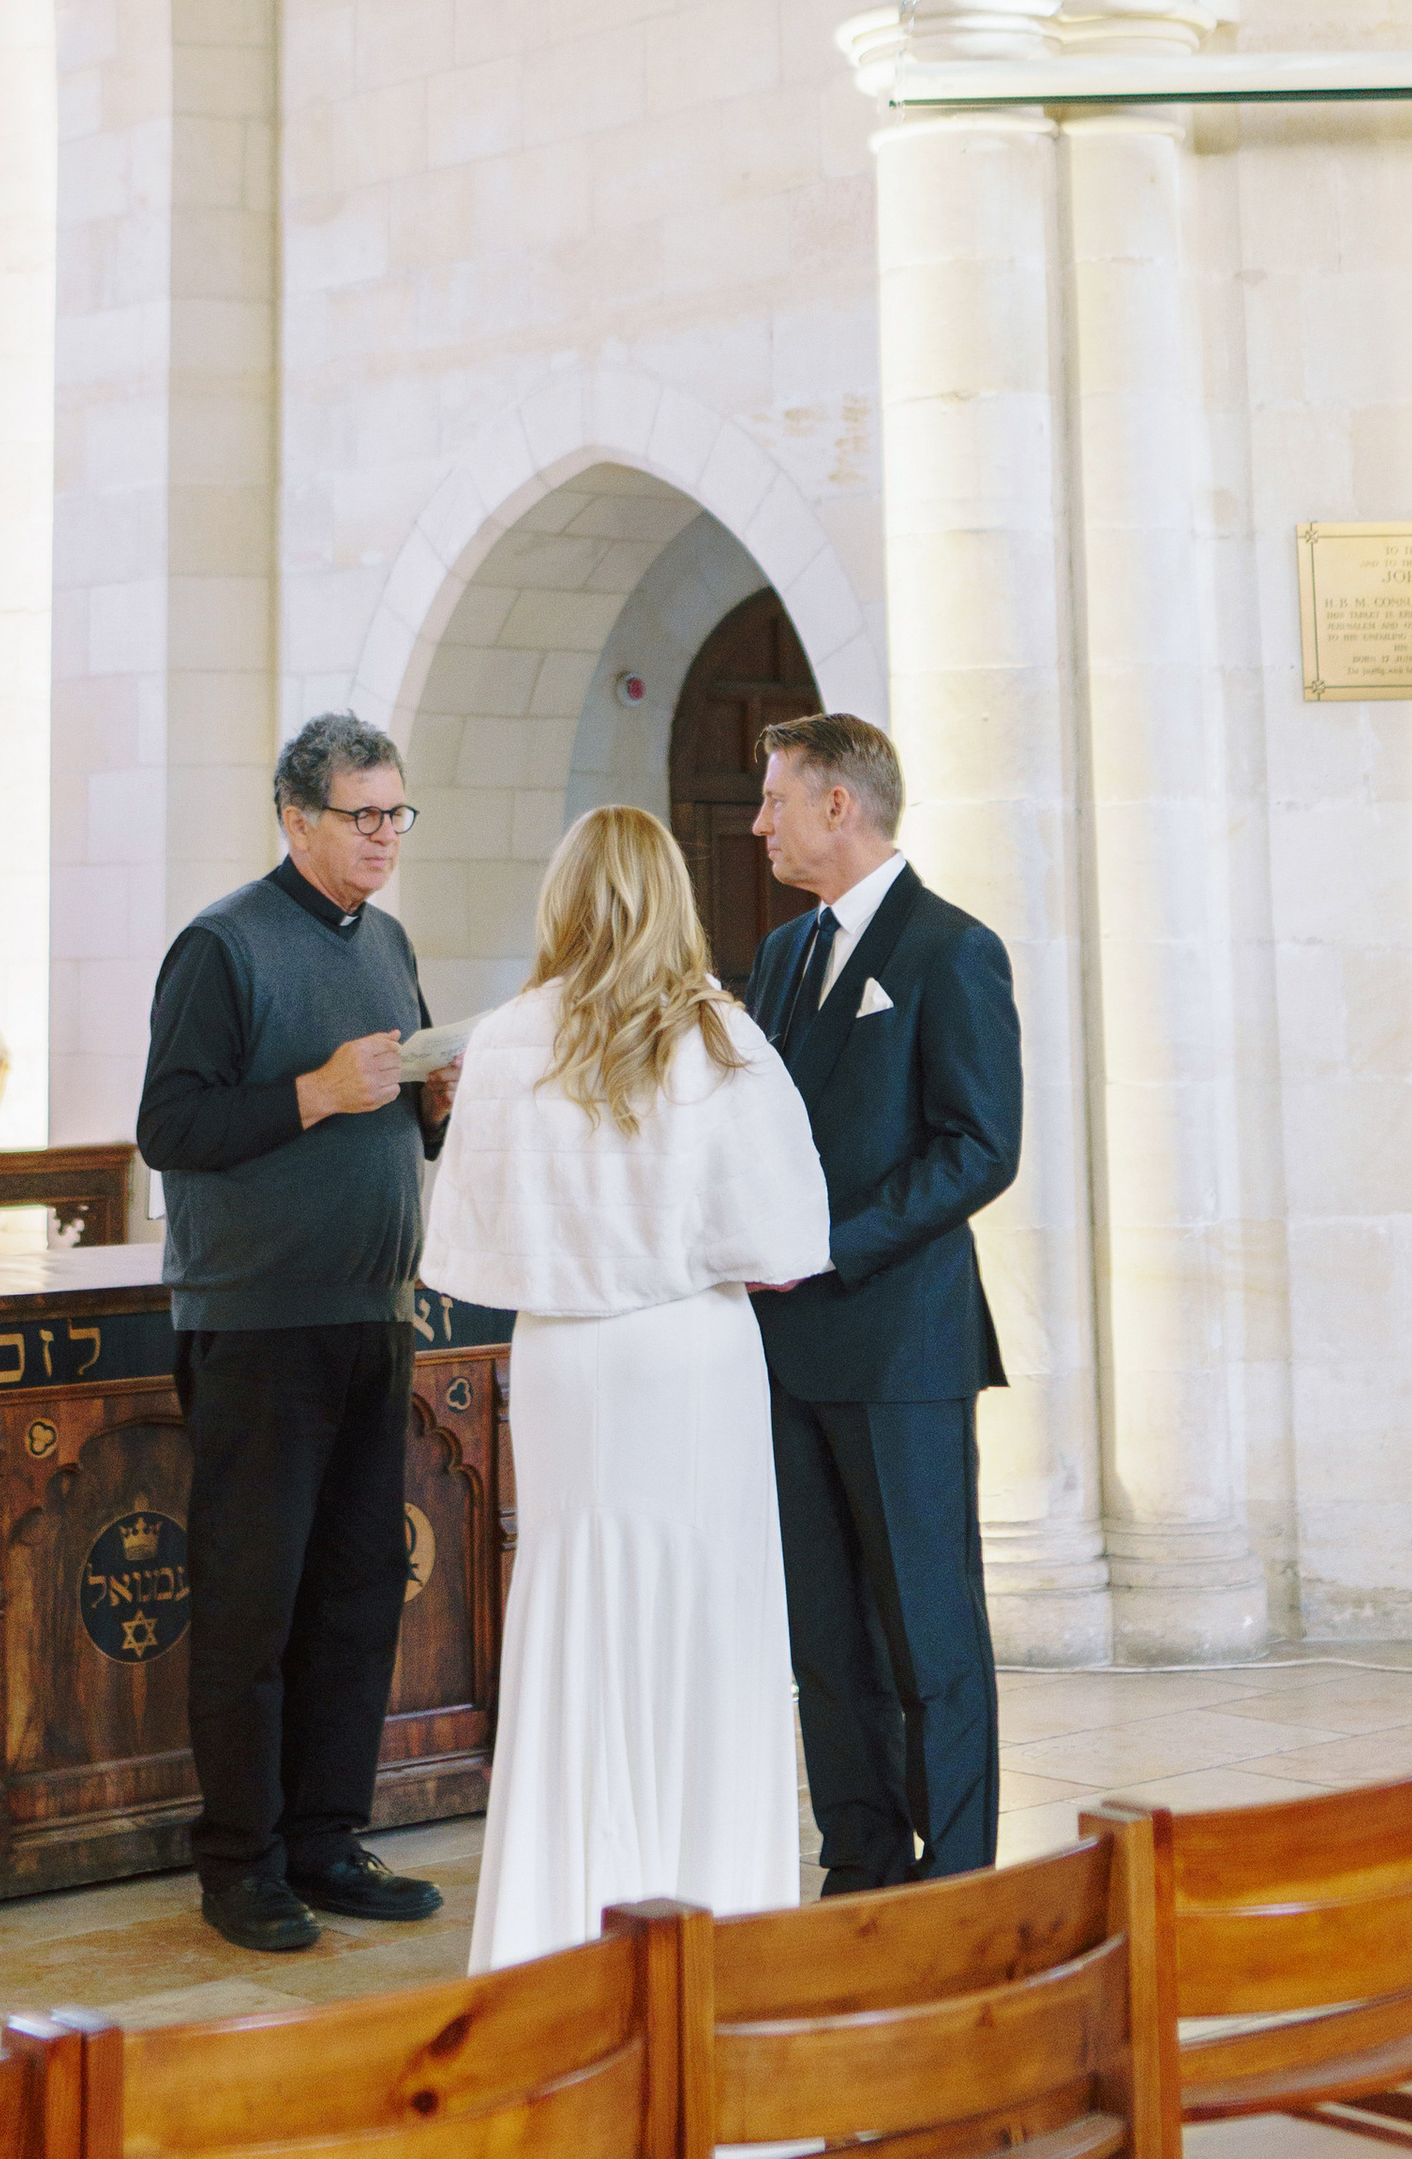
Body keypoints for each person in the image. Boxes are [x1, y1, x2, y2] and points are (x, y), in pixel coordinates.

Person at [422, 803, 829, 1971]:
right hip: (690, 1355)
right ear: (671, 900)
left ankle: (558, 1941)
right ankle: (718, 1934)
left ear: (563, 900)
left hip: (568, 1359)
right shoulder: (726, 1043)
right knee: (710, 1625)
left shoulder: (506, 1039)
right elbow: (789, 1236)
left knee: (576, 1618)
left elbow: (462, 1242)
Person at [135, 710, 457, 1954]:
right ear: (295, 817)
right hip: (259, 1324)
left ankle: (327, 1839)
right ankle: (241, 1863)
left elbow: (401, 1130)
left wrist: (433, 1105)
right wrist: (318, 1092)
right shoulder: (222, 947)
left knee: (357, 1594)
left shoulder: (388, 942)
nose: (384, 838)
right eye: (361, 816)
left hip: (371, 1315)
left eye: (395, 814)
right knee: (254, 1604)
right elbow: (171, 1126)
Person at [746, 713, 1021, 1889]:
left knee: (929, 1630)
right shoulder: (776, 958)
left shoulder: (950, 949)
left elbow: (979, 1148)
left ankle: (955, 1878)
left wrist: (826, 1246)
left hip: (901, 1345)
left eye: (774, 801)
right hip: (785, 1350)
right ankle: (858, 1859)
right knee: (826, 1634)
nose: (758, 824)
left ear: (837, 807)